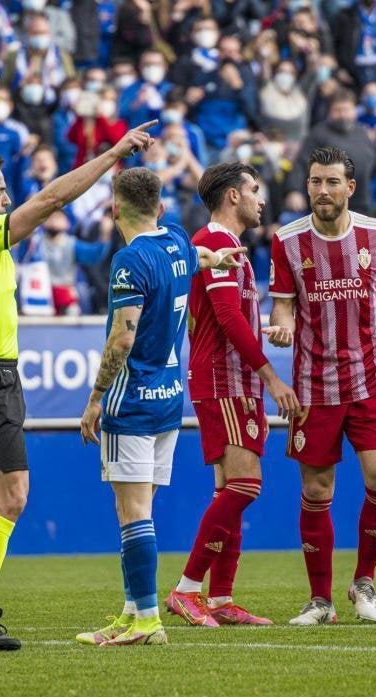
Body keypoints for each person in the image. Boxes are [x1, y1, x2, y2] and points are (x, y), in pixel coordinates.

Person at [0, 57, 158, 652]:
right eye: (0, 193)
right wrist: (113, 155)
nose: (8, 198)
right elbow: (51, 199)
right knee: (13, 497)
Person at [267, 146, 376, 625]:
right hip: (313, 387)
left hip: (371, 380)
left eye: (331, 182)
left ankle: (364, 581)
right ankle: (320, 600)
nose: (322, 191)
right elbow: (282, 305)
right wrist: (281, 327)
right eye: (315, 182)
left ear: (349, 187)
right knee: (317, 489)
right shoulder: (287, 241)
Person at [74, 164, 247, 647]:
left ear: (114, 210)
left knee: (132, 512)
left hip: (133, 400)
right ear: (162, 207)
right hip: (170, 399)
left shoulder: (129, 261)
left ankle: (148, 621)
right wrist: (219, 259)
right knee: (137, 507)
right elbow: (197, 257)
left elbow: (121, 338)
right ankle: (132, 612)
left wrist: (95, 399)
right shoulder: (175, 241)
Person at [164, 162, 300, 628]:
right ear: (233, 196)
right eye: (254, 190)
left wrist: (264, 333)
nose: (262, 199)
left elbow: (226, 316)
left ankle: (221, 598)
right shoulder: (214, 242)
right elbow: (224, 318)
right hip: (224, 379)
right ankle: (187, 589)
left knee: (231, 489)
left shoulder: (226, 246)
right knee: (245, 485)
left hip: (234, 377)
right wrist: (273, 379)